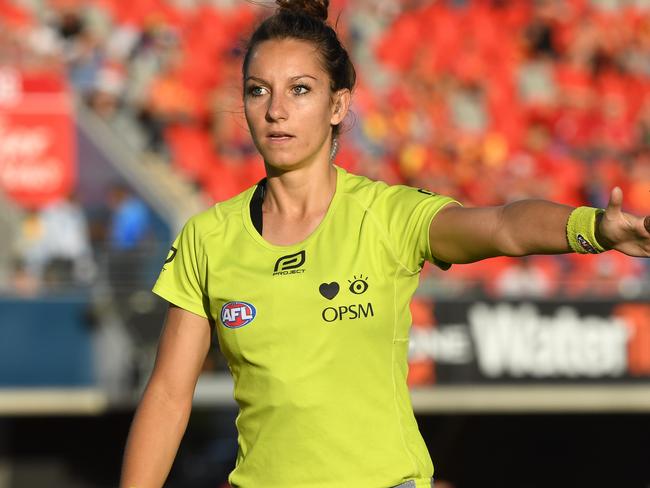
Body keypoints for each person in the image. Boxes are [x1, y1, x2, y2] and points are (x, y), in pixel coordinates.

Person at [119, 1, 650, 487]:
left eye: (300, 89)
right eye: (259, 90)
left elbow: (504, 226)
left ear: (337, 104)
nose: (276, 109)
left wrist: (595, 227)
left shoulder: (386, 215)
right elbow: (167, 396)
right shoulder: (207, 238)